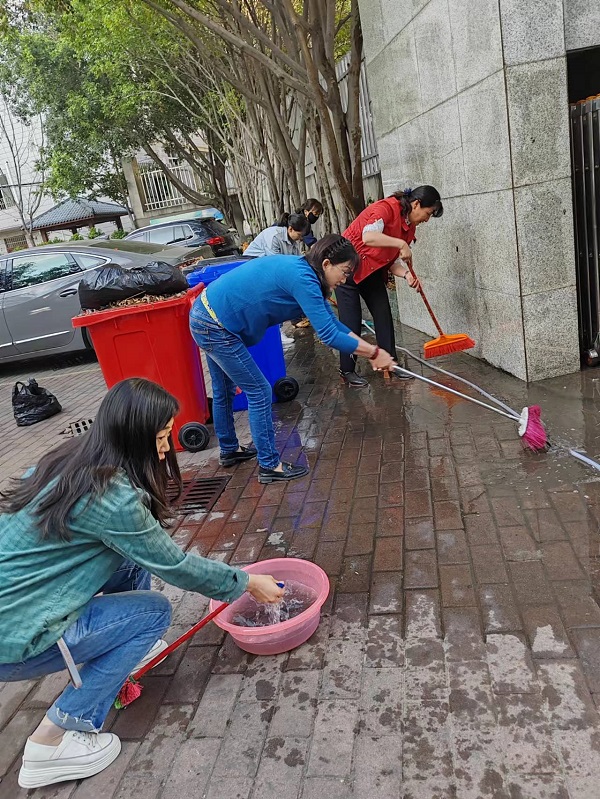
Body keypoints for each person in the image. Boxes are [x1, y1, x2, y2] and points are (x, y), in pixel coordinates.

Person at [0, 378, 283, 790]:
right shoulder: (110, 497)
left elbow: (144, 551)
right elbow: (176, 567)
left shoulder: (64, 461)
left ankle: (118, 647)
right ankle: (52, 741)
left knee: (130, 562)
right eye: (162, 437)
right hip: (18, 637)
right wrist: (246, 582)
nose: (168, 448)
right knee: (154, 613)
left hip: (17, 606)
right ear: (132, 437)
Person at [190, 234, 396, 484]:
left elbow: (331, 323)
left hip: (207, 314)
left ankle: (230, 450)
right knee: (259, 391)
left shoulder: (306, 274)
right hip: (215, 325)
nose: (345, 279)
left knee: (224, 390)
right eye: (344, 271)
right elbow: (329, 335)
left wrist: (371, 349)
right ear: (327, 264)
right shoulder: (303, 279)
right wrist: (374, 352)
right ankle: (269, 466)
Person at [336, 185, 443, 387]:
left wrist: (407, 274)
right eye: (427, 214)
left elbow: (389, 259)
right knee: (352, 322)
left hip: (371, 271)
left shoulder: (409, 227)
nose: (427, 220)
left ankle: (390, 364)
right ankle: (347, 370)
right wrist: (401, 244)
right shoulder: (385, 209)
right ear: (416, 204)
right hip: (346, 270)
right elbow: (369, 237)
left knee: (383, 314)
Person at [244, 213, 309, 258]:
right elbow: (275, 262)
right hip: (249, 264)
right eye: (299, 235)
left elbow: (298, 259)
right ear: (290, 229)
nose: (301, 238)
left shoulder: (292, 241)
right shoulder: (274, 236)